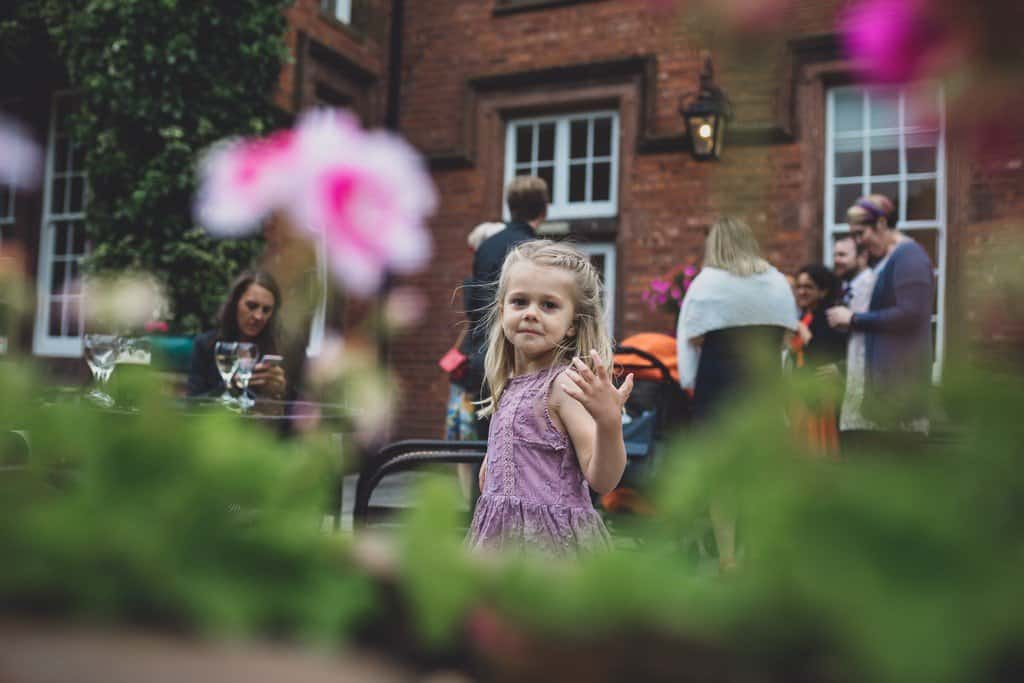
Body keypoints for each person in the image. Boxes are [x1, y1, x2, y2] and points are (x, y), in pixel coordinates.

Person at [466, 240, 634, 557]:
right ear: (502, 312)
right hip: (502, 542)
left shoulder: (563, 387)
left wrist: (609, 422)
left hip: (550, 550)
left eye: (549, 305)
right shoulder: (510, 383)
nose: (531, 313)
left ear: (572, 324)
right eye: (520, 302)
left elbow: (603, 479)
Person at [676, 217, 797, 571]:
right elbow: (788, 336)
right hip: (763, 382)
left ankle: (728, 558)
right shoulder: (776, 281)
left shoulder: (707, 283)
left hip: (720, 382)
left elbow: (693, 336)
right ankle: (757, 553)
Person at [826, 194, 935, 452]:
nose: (858, 242)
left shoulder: (909, 257)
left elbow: (911, 315)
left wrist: (853, 319)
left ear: (882, 224)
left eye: (860, 233)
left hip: (898, 394)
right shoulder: (889, 260)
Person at [459, 176, 549, 437]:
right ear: (544, 210)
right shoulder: (535, 250)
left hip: (482, 357)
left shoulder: (486, 246)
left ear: (510, 207)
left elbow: (474, 305)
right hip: (518, 361)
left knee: (482, 445)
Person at [187, 270, 288, 399]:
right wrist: (231, 387)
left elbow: (301, 408)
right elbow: (192, 404)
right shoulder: (206, 345)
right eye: (251, 306)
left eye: (266, 310)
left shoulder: (281, 349)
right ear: (235, 304)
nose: (258, 316)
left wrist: (281, 392)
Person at [788, 264, 848, 455]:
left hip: (822, 402)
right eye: (798, 287)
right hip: (803, 398)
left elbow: (820, 355)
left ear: (823, 291)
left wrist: (804, 333)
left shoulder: (829, 318)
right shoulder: (807, 316)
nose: (801, 292)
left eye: (808, 287)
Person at [833, 234, 867, 306]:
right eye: (835, 255)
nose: (836, 260)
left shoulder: (873, 286)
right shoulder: (841, 287)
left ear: (862, 257)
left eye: (842, 255)